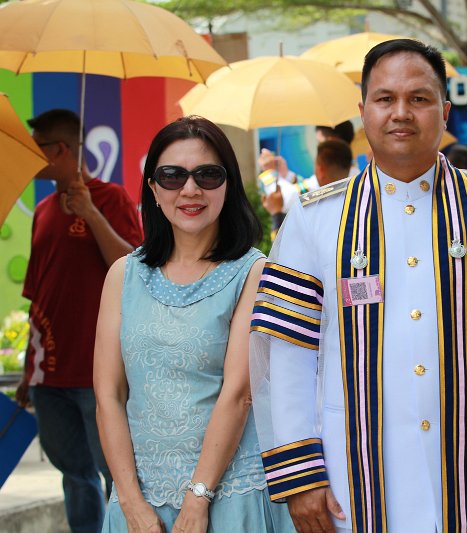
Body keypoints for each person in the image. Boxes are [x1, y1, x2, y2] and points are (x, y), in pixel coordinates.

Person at [250, 39, 467, 533]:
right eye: (385, 99)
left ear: (444, 110)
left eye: (419, 98)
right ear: (363, 112)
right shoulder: (315, 219)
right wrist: (300, 473)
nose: (402, 113)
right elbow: (286, 351)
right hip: (350, 476)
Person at [94, 116, 292, 532]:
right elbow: (108, 394)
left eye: (207, 174)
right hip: (137, 504)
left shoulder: (254, 272)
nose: (190, 189)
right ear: (152, 187)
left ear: (229, 185)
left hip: (229, 498)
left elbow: (239, 394)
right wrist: (129, 501)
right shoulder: (122, 275)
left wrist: (198, 498)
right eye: (172, 176)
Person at [16, 108, 142, 533]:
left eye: (37, 150)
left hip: (98, 373)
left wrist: (91, 215)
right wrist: (26, 369)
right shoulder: (44, 210)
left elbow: (134, 270)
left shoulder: (111, 199)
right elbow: (37, 294)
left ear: (60, 150)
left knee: (116, 476)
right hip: (49, 375)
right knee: (74, 475)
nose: (31, 158)